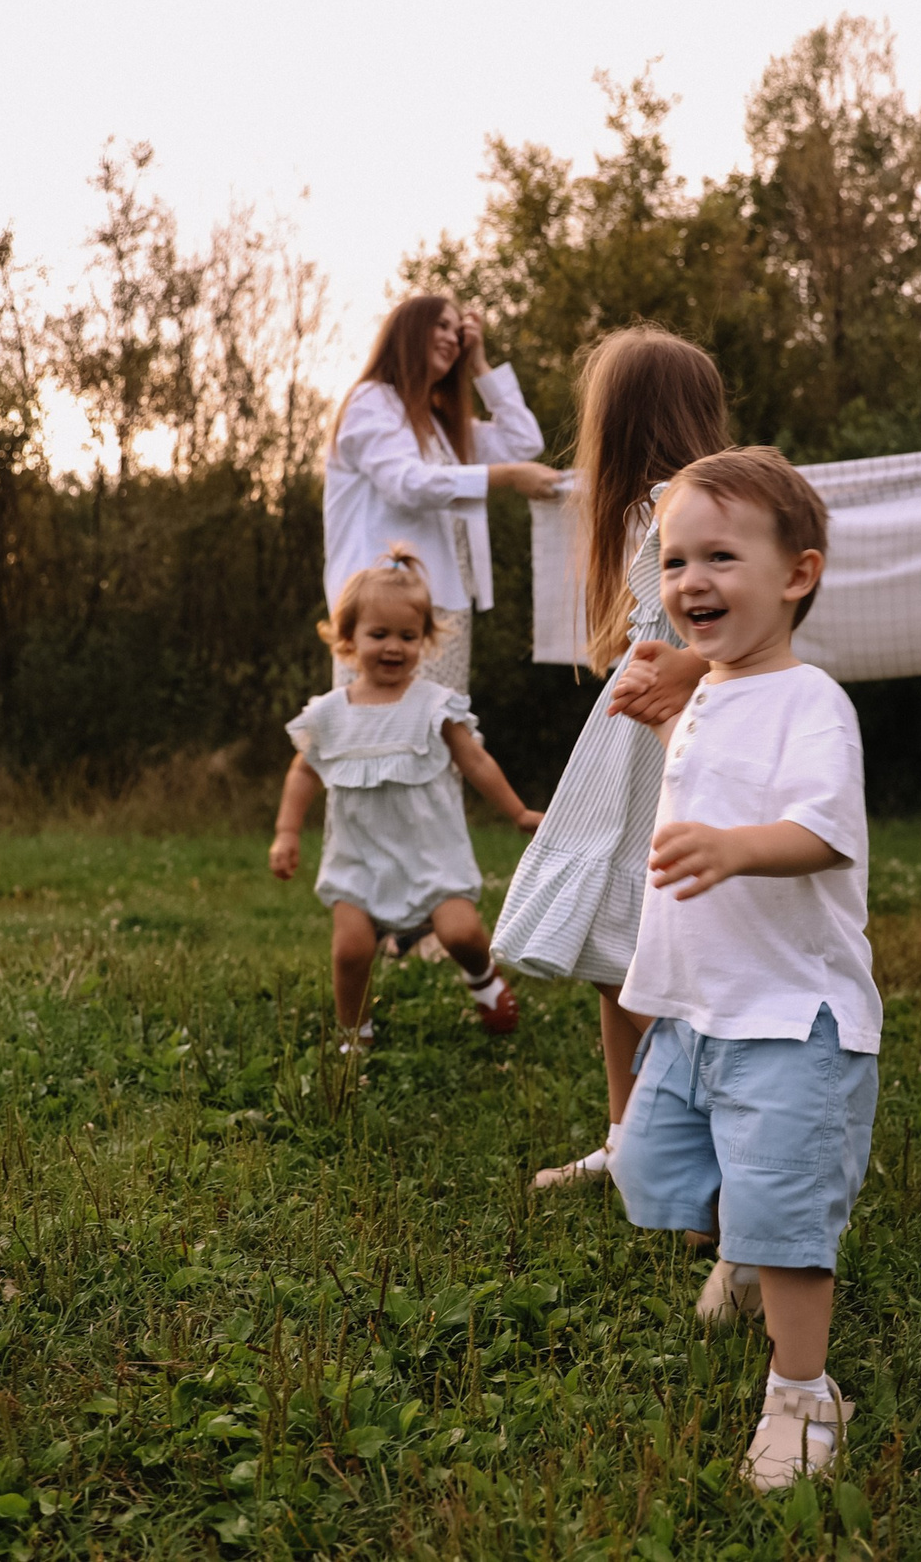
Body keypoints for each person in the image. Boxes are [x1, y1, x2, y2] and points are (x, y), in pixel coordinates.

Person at [607, 447, 881, 1492]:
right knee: (647, 1167)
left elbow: (821, 829)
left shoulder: (811, 701)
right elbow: (693, 685)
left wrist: (734, 845)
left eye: (721, 556)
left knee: (789, 1221)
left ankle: (803, 1396)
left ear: (796, 575)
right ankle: (740, 1242)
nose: (691, 583)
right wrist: (674, 684)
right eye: (675, 561)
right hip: (693, 1010)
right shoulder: (710, 690)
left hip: (790, 1015)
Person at [491, 326, 728, 1190]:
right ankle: (630, 1133)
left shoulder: (681, 507)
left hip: (675, 745)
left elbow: (744, 636)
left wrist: (684, 671)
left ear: (620, 423)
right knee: (618, 946)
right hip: (630, 745)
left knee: (665, 946)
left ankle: (684, 1139)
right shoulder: (653, 511)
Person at [270, 549, 544, 1049]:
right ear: (349, 639)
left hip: (431, 853)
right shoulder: (329, 714)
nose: (393, 647)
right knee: (351, 950)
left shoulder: (434, 706)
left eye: (408, 636)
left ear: (425, 640)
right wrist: (288, 832)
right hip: (358, 858)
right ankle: (355, 1034)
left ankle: (483, 979)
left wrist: (519, 811)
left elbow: (476, 763)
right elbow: (303, 772)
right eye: (379, 635)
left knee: (461, 934)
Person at [323, 296, 560, 694]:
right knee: (378, 736)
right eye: (442, 326)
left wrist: (480, 365)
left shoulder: (438, 424)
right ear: (409, 332)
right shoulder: (371, 401)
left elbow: (523, 441)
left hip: (442, 608)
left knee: (441, 737)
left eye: (458, 330)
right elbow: (409, 484)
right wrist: (509, 477)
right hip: (378, 608)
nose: (454, 338)